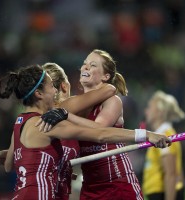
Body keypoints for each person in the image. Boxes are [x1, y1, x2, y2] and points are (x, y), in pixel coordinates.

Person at [0, 64, 171, 200]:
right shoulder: (45, 124)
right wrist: (146, 135)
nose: (55, 91)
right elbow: (100, 135)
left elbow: (8, 165)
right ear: (39, 94)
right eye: (51, 86)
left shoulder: (19, 122)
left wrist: (11, 154)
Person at [39, 49, 149, 200]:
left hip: (118, 184)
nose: (85, 67)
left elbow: (100, 131)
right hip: (90, 188)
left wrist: (66, 115)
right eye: (84, 64)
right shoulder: (77, 104)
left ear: (106, 76)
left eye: (93, 65)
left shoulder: (112, 101)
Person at [42, 62, 117, 199]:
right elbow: (110, 89)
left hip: (52, 188)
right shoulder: (65, 106)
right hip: (49, 191)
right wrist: (144, 135)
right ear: (64, 86)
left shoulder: (40, 115)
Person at [142, 90, 185, 200]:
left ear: (160, 111)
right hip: (158, 192)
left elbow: (171, 174)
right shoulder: (160, 134)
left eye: (149, 107)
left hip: (162, 193)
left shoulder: (164, 135)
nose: (146, 111)